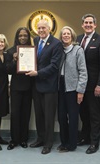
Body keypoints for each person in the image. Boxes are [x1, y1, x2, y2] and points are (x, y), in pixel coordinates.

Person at [26, 20, 63, 155]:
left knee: (48, 117)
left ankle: (48, 143)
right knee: (39, 115)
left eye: (44, 28)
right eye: (39, 28)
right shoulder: (35, 41)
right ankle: (40, 139)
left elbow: (54, 66)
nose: (41, 30)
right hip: (36, 86)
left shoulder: (56, 43)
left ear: (49, 29)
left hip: (49, 86)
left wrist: (38, 73)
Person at [76, 14, 100, 154]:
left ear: (95, 25)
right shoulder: (78, 39)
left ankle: (94, 142)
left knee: (94, 114)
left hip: (94, 85)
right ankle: (85, 137)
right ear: (82, 25)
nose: (88, 25)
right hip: (80, 85)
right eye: (86, 22)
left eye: (91, 22)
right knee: (83, 113)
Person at [57, 26, 87, 152]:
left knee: (73, 117)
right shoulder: (58, 50)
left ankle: (72, 144)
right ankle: (64, 142)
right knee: (61, 116)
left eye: (68, 34)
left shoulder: (78, 50)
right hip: (60, 87)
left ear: (72, 36)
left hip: (73, 88)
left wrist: (80, 90)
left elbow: (83, 71)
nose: (66, 36)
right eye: (63, 34)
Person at [5, 27, 33, 150]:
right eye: (20, 36)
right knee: (15, 114)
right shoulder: (11, 51)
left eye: (25, 36)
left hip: (29, 87)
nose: (22, 38)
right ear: (17, 37)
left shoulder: (32, 50)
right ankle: (14, 139)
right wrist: (14, 60)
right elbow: (8, 70)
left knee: (26, 114)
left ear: (28, 37)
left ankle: (23, 139)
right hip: (16, 87)